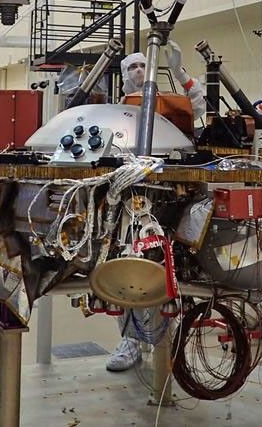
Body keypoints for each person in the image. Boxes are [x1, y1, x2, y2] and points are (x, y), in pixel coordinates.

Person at [106, 43, 205, 372]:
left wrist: (180, 72)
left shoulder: (169, 104)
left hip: (167, 195)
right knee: (129, 264)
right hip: (129, 198)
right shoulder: (116, 110)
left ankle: (167, 335)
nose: (137, 71)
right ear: (123, 76)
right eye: (131, 67)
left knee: (168, 267)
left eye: (142, 66)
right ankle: (131, 341)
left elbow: (200, 107)